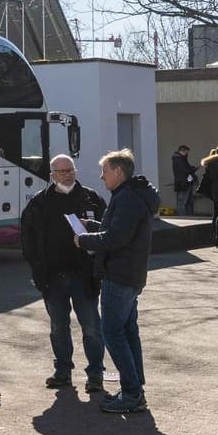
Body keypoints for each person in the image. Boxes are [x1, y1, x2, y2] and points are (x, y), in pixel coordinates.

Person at [74, 149, 159, 414]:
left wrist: (83, 239)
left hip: (120, 276)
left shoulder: (127, 199)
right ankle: (134, 388)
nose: (101, 177)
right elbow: (118, 231)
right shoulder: (129, 196)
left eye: (105, 171)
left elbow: (116, 239)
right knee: (127, 331)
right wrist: (93, 225)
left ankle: (133, 393)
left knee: (112, 332)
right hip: (128, 275)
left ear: (119, 172)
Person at [20, 153, 108, 392]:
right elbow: (26, 237)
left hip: (84, 276)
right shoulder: (39, 203)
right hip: (52, 278)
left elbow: (108, 234)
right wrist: (37, 266)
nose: (67, 175)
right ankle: (62, 372)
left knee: (91, 327)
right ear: (52, 175)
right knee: (58, 327)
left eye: (70, 170)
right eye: (61, 171)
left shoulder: (92, 199)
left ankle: (96, 375)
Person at [170, 144, 197, 218]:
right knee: (183, 202)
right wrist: (193, 169)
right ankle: (184, 217)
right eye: (186, 152)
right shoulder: (179, 159)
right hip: (183, 183)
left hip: (184, 183)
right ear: (182, 151)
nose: (187, 154)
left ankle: (187, 216)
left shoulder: (181, 159)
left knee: (187, 201)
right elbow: (185, 170)